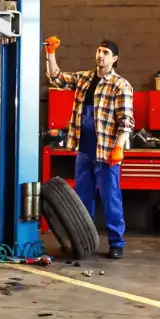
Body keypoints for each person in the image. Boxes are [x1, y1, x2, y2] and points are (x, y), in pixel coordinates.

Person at [44, 36, 133, 259]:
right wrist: (50, 53)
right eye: (99, 51)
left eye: (105, 53)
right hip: (84, 150)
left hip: (106, 153)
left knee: (110, 198)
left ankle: (116, 243)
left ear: (115, 59)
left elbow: (126, 121)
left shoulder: (120, 85)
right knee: (82, 201)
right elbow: (56, 78)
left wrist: (119, 147)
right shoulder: (84, 79)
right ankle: (84, 240)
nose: (100, 55)